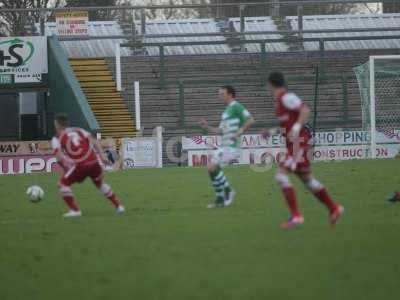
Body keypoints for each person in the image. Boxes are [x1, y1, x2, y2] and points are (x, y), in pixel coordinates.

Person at [262, 72, 344, 229]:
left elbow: (305, 110)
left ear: (271, 84)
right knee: (308, 180)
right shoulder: (279, 102)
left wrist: (297, 127)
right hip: (294, 144)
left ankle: (296, 216)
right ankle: (334, 208)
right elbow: (285, 126)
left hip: (298, 143)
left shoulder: (287, 97)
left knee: (281, 176)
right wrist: (271, 132)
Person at [52, 113, 125, 218]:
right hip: (94, 162)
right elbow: (94, 141)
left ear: (57, 124)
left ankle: (75, 210)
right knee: (100, 184)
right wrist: (102, 156)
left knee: (63, 183)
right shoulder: (79, 130)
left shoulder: (56, 138)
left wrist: (65, 168)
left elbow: (59, 157)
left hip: (80, 165)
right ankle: (119, 206)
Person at [200, 85, 255, 208]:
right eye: (219, 94)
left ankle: (228, 191)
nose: (220, 97)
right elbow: (220, 131)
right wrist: (206, 127)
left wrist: (239, 131)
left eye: (222, 94)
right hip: (224, 146)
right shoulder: (226, 112)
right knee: (210, 168)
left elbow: (251, 120)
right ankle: (220, 198)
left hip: (232, 146)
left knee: (212, 166)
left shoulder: (236, 106)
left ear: (230, 94)